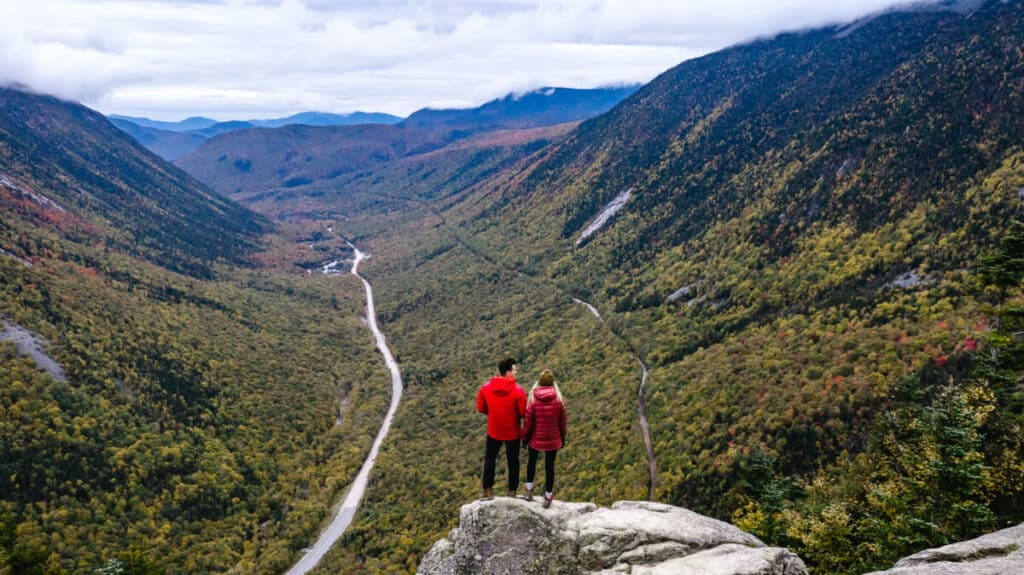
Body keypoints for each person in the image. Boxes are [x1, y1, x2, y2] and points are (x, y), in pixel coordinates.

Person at [477, 357, 527, 499]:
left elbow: (481, 408)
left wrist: (493, 413)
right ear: (508, 372)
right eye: (514, 370)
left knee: (490, 459)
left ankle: (487, 490)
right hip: (512, 432)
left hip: (494, 431)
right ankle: (512, 491)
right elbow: (523, 412)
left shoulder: (485, 388)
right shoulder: (518, 391)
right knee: (513, 461)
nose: (516, 372)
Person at [521, 369, 567, 508]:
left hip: (536, 438)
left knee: (532, 463)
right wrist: (562, 437)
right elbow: (562, 422)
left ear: (539, 383)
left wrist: (525, 438)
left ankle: (529, 491)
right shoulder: (558, 400)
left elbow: (528, 422)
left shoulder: (533, 398)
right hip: (553, 438)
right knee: (550, 467)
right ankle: (547, 498)